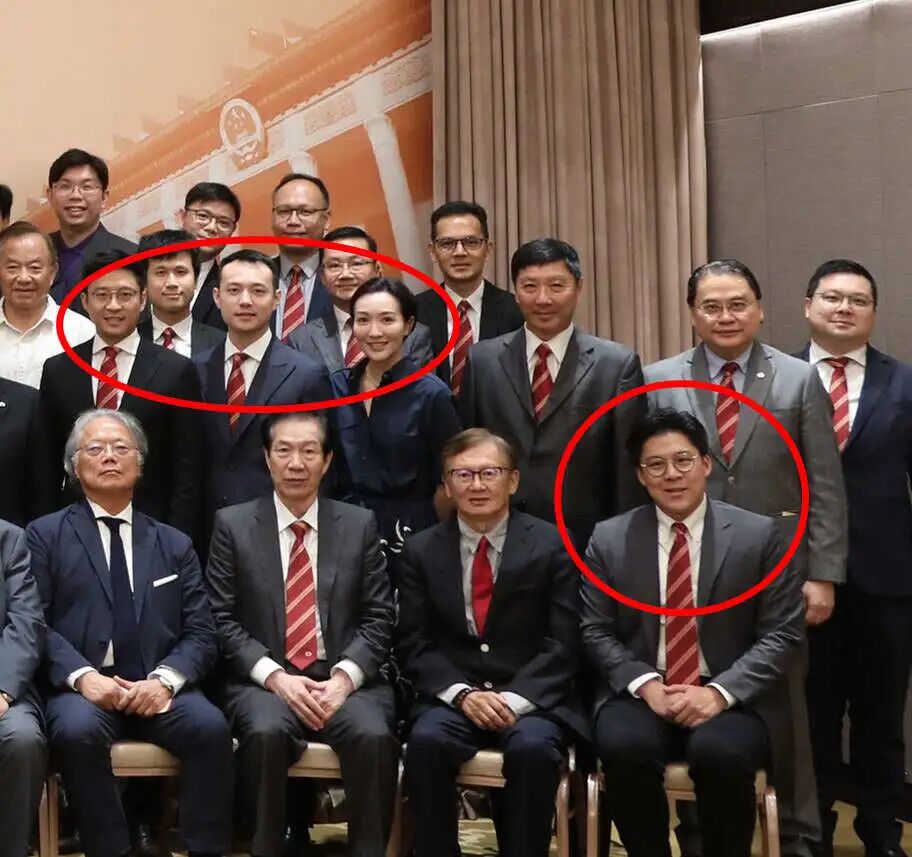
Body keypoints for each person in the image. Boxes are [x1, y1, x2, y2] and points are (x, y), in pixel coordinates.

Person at [643, 258, 848, 857]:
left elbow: (825, 483)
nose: (725, 316)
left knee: (789, 713)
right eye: (711, 306)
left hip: (778, 575)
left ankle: (800, 836)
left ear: (759, 309)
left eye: (738, 304)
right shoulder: (658, 377)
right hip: (687, 570)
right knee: (693, 697)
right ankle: (697, 834)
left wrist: (823, 574)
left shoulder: (797, 378)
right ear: (692, 315)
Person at [582, 408, 806, 857]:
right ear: (640, 476)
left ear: (705, 464)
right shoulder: (609, 539)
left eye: (683, 460)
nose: (672, 474)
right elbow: (595, 630)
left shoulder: (758, 535)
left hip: (730, 693)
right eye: (656, 465)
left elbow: (782, 634)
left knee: (721, 755)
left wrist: (718, 694)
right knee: (623, 747)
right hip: (644, 691)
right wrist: (647, 686)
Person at [28, 409, 233, 857]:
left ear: (140, 464)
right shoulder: (44, 537)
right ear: (73, 465)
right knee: (77, 732)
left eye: (121, 448)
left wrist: (164, 682)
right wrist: (85, 678)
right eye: (95, 448)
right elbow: (34, 624)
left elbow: (202, 630)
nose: (109, 456)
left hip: (157, 687)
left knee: (211, 728)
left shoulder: (174, 543)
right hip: (84, 690)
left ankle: (205, 849)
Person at [206, 411, 398, 857]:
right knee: (265, 734)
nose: (296, 463)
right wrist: (276, 678)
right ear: (267, 458)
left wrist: (344, 680)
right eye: (284, 451)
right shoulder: (232, 525)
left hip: (344, 679)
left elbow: (379, 616)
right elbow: (221, 618)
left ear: (327, 461)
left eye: (309, 451)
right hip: (265, 681)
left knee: (373, 736)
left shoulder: (358, 524)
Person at [398, 428, 587, 857]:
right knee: (426, 743)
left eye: (489, 473)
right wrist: (463, 695)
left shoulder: (555, 545)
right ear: (447, 486)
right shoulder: (420, 550)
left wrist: (514, 700)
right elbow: (413, 642)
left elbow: (565, 642)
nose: (477, 485)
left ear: (513, 481)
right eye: (463, 475)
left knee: (532, 749)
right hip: (455, 697)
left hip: (533, 698)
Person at [797, 259, 912, 857]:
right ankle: (811, 835)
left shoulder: (905, 383)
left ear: (873, 311)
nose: (844, 308)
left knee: (881, 719)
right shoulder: (778, 377)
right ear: (808, 306)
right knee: (810, 719)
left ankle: (882, 835)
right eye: (832, 297)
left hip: (886, 580)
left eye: (858, 300)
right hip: (799, 579)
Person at [459, 237, 645, 548]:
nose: (542, 299)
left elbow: (627, 471)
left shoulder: (616, 365)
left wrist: (619, 546)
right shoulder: (482, 361)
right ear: (516, 291)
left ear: (579, 288)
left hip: (585, 539)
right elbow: (468, 451)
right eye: (530, 287)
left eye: (556, 286)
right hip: (499, 536)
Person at [39, 250, 204, 544]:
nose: (113, 305)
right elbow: (47, 464)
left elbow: (188, 467)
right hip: (73, 529)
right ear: (85, 301)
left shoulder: (176, 370)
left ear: (142, 299)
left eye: (125, 295)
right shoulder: (59, 370)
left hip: (153, 528)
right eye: (101, 295)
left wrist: (177, 539)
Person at [328, 277, 462, 572]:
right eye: (363, 320)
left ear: (408, 325)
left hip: (411, 534)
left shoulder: (432, 394)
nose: (374, 332)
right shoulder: (336, 387)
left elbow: (449, 480)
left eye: (387, 320)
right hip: (344, 530)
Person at [193, 249, 330, 523]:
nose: (245, 301)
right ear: (217, 297)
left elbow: (321, 463)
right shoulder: (194, 370)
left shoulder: (306, 374)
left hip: (276, 523)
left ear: (277, 298)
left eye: (258, 291)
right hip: (205, 523)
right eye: (234, 290)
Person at [288, 225, 433, 371]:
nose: (345, 274)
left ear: (377, 269)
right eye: (334, 265)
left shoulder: (413, 335)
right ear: (322, 276)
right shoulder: (301, 340)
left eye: (356, 264)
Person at [416, 201, 523, 394]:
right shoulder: (414, 312)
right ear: (433, 252)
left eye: (471, 242)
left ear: (488, 249)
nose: (459, 252)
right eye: (447, 244)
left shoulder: (516, 311)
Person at [0, 221, 96, 388]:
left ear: (52, 273)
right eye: (12, 268)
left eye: (35, 268)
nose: (24, 278)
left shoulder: (81, 332)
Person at [0, 517, 47, 857]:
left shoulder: (8, 539)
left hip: (4, 686)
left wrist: (3, 690)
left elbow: (26, 621)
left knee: (21, 738)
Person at [46, 149, 136, 312]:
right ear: (50, 195)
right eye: (65, 186)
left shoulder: (131, 258)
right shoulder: (33, 254)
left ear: (104, 197)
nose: (75, 195)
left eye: (86, 187)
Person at [135, 229, 225, 357]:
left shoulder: (222, 344)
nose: (171, 283)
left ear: (195, 279)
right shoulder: (127, 340)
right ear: (144, 282)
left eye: (181, 272)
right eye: (161, 272)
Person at [271, 173, 333, 339]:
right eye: (283, 211)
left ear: (326, 220)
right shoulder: (258, 275)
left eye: (305, 212)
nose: (293, 221)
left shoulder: (343, 277)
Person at [177, 182, 241, 331]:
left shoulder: (230, 291)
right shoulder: (144, 267)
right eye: (203, 216)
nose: (212, 228)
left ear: (232, 232)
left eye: (223, 223)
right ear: (182, 216)